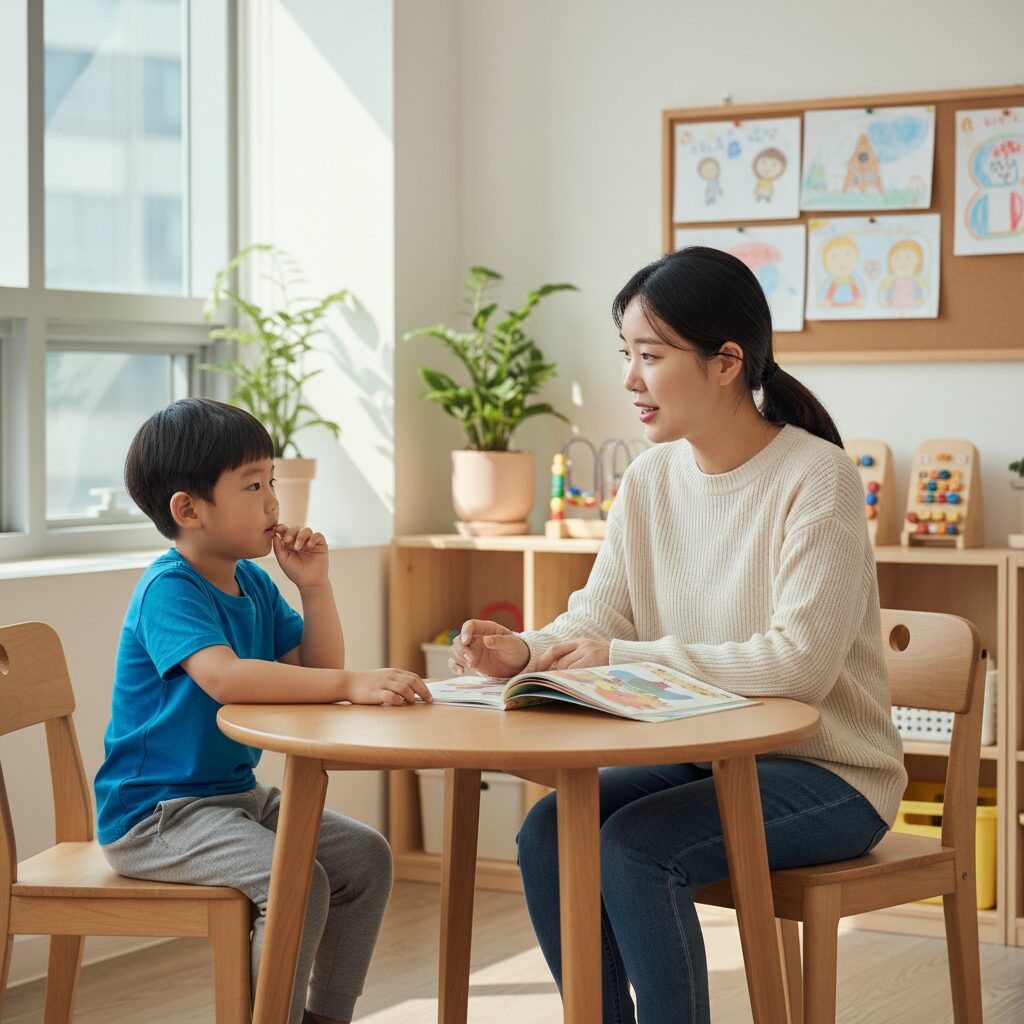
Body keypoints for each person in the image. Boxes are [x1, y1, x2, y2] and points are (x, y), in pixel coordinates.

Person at [449, 247, 906, 1024]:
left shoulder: (817, 477)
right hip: (707, 759)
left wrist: (623, 656)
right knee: (549, 832)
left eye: (651, 356)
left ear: (727, 361)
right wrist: (521, 650)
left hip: (830, 774)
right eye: (626, 354)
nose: (630, 379)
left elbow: (798, 666)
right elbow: (601, 617)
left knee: (635, 847)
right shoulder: (651, 480)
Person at [94, 398, 430, 1024]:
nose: (274, 501)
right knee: (296, 884)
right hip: (157, 814)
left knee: (366, 858)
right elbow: (224, 677)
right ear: (188, 509)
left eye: (272, 480)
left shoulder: (252, 583)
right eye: (253, 485)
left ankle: (323, 1017)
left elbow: (313, 670)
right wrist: (354, 681)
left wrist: (315, 586)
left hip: (233, 799)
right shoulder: (169, 587)